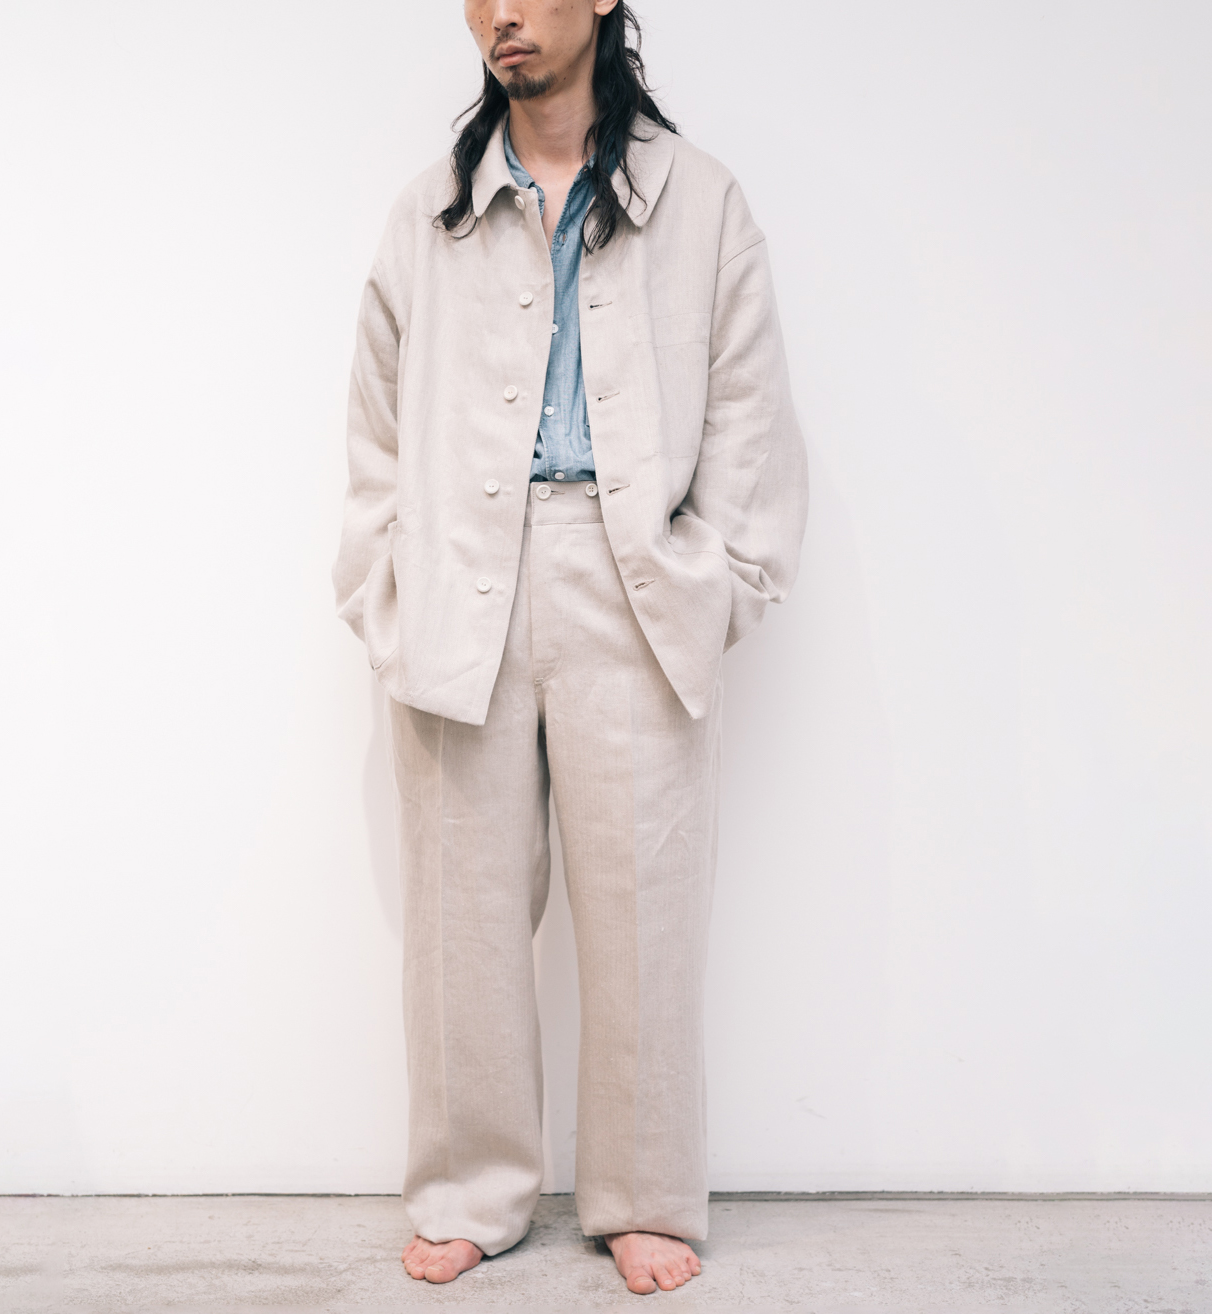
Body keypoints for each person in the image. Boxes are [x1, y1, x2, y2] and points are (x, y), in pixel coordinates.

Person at [333, 0, 808, 1296]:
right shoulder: (428, 215)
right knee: (460, 912)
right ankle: (468, 1188)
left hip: (630, 576)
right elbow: (374, 432)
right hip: (460, 575)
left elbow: (751, 423)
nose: (500, 15)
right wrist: (386, 584)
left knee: (647, 901)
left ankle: (644, 1193)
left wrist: (709, 580)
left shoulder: (701, 204)